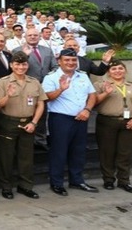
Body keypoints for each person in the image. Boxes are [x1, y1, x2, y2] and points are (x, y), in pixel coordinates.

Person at [42, 48, 98, 196]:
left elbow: (92, 95)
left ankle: (77, 180)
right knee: (59, 152)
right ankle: (57, 183)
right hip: (61, 119)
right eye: (67, 60)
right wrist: (61, 89)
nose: (70, 63)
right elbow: (46, 97)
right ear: (59, 61)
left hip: (81, 117)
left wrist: (87, 110)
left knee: (78, 151)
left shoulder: (83, 76)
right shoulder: (51, 77)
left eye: (73, 60)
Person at [0, 52, 47, 199]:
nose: (20, 67)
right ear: (11, 65)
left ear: (27, 65)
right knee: (6, 156)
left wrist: (34, 122)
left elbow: (40, 104)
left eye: (23, 64)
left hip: (28, 122)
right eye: (17, 64)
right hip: (8, 122)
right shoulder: (3, 82)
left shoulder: (34, 82)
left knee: (26, 157)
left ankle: (25, 186)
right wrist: (8, 95)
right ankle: (6, 187)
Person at [93, 60, 132, 193]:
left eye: (120, 68)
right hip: (107, 122)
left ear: (125, 71)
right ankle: (108, 179)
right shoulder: (100, 85)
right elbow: (93, 102)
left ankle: (124, 181)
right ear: (108, 72)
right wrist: (106, 93)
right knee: (107, 152)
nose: (117, 71)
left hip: (129, 122)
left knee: (126, 152)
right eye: (113, 69)